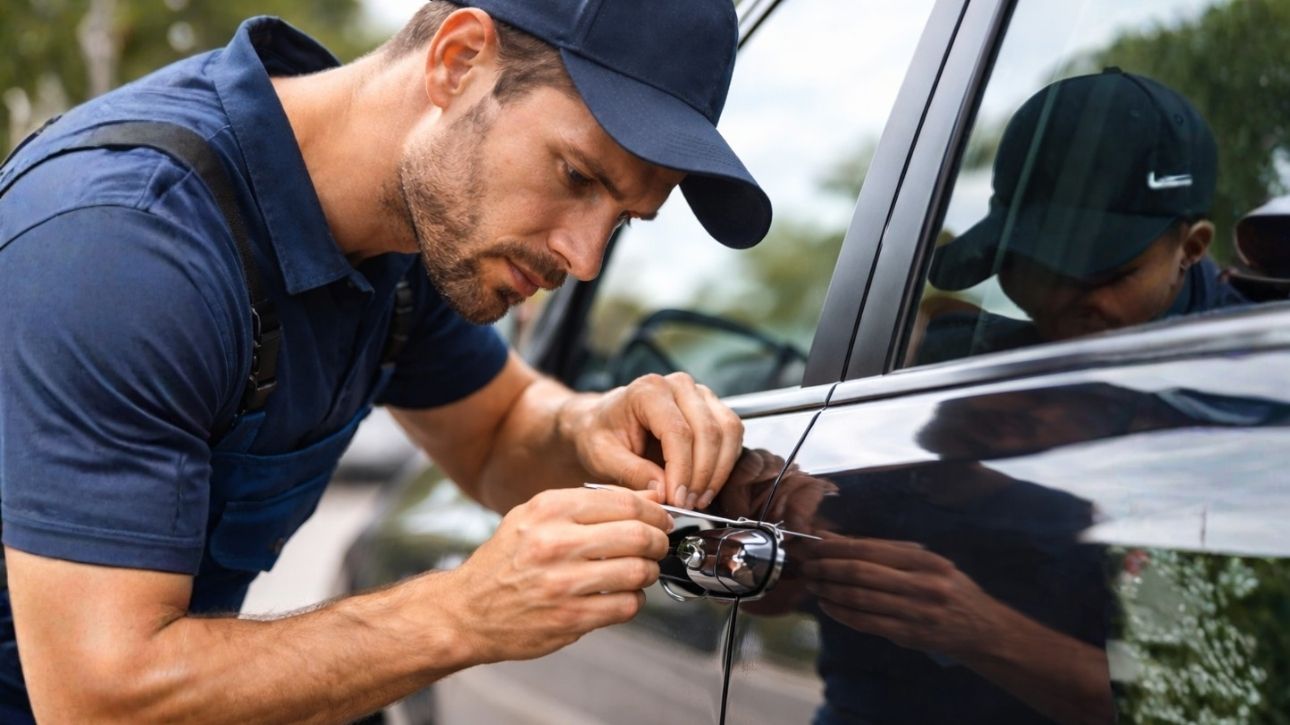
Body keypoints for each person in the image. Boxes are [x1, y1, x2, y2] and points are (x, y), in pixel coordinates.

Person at [0, 1, 771, 721]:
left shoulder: (417, 236)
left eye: (624, 219)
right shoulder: (130, 245)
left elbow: (496, 431)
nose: (586, 256)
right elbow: (100, 698)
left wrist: (588, 428)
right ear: (458, 62)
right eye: (575, 175)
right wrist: (463, 611)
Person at [917, 69, 1247, 365]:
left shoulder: (1253, 374)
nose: (1060, 300)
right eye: (1037, 266)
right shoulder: (939, 353)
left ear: (1191, 248)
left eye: (1104, 275)